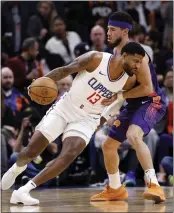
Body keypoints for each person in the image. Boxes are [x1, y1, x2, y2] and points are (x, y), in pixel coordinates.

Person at [1, 42, 147, 205]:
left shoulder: (129, 80)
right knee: (32, 150)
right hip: (66, 107)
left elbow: (119, 100)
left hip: (88, 118)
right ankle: (16, 169)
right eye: (136, 61)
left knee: (69, 154)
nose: (138, 66)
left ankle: (24, 190)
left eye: (140, 62)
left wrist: (106, 112)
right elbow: (65, 70)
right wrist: (42, 81)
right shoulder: (95, 59)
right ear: (125, 55)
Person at [90, 11, 166, 203]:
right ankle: (115, 188)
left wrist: (119, 96)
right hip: (132, 103)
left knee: (133, 135)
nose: (108, 33)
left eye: (112, 30)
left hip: (152, 101)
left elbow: (147, 88)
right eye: (107, 29)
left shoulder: (138, 53)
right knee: (108, 145)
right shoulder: (116, 53)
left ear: (125, 32)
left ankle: (154, 185)